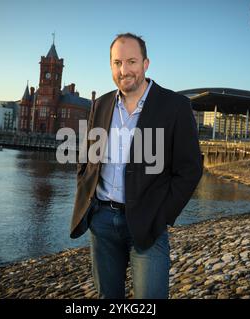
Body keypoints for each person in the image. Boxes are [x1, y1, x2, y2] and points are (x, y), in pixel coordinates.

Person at [70, 33, 203, 299]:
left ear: (145, 63)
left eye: (132, 61)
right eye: (117, 62)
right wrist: (90, 202)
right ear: (110, 66)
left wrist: (163, 214)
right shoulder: (101, 104)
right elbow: (87, 159)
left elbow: (190, 169)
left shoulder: (175, 106)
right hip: (102, 222)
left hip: (147, 223)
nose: (124, 70)